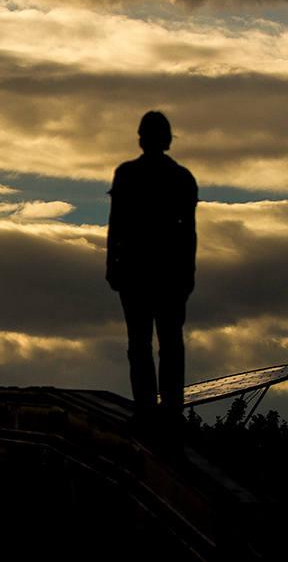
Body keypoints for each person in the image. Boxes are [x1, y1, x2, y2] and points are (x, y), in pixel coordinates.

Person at [107, 111, 197, 433]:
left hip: (136, 271)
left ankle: (148, 410)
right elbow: (189, 232)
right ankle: (170, 412)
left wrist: (111, 264)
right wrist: (188, 273)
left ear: (142, 138)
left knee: (141, 344)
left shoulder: (128, 174)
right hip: (168, 273)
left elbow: (116, 224)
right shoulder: (182, 178)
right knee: (170, 345)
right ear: (168, 139)